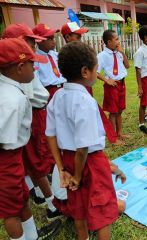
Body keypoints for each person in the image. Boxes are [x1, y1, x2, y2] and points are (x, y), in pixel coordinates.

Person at [45, 41, 125, 239]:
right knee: (102, 212)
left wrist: (62, 168)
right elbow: (83, 148)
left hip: (68, 160)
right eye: (96, 68)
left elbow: (50, 135)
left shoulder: (56, 97)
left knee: (78, 209)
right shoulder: (85, 101)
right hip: (88, 162)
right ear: (85, 72)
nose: (98, 73)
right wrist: (79, 176)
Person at [0, 38, 61, 240]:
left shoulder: (10, 90)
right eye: (31, 65)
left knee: (22, 200)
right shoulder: (12, 100)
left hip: (13, 156)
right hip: (6, 160)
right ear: (19, 68)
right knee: (11, 211)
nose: (35, 70)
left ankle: (32, 236)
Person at [97, 30, 130, 141]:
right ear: (109, 42)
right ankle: (113, 137)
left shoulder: (118, 53)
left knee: (119, 110)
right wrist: (106, 80)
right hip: (112, 87)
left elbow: (127, 65)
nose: (118, 41)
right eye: (116, 39)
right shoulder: (102, 56)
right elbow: (95, 72)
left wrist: (122, 52)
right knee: (113, 112)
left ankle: (120, 133)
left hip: (122, 84)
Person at [35, 25, 66, 100]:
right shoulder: (35, 59)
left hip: (64, 87)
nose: (53, 41)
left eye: (53, 38)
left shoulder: (57, 55)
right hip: (49, 91)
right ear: (39, 41)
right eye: (50, 39)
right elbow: (37, 82)